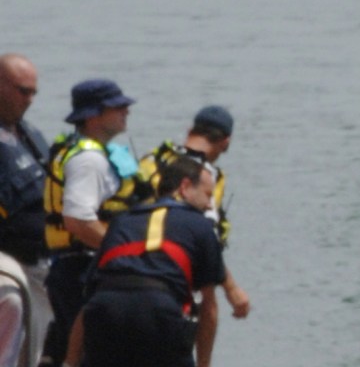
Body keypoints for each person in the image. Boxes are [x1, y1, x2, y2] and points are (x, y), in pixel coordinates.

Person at [79, 155, 226, 367]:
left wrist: (69, 362)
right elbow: (209, 307)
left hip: (105, 309)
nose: (209, 204)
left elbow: (89, 301)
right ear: (185, 187)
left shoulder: (121, 221)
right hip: (158, 311)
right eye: (207, 195)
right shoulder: (200, 225)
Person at [42, 79, 141, 367]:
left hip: (77, 269)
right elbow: (78, 221)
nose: (126, 111)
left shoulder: (88, 152)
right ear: (93, 115)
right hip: (82, 272)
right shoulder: (88, 160)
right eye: (117, 107)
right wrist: (129, 255)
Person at [135, 105, 251, 321]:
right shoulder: (207, 177)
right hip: (176, 276)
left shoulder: (151, 160)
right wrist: (231, 289)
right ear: (225, 142)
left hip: (131, 266)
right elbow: (205, 237)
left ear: (190, 131)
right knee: (201, 311)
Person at [0, 54, 50, 365]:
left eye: (34, 92)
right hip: (11, 263)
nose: (29, 99)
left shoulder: (28, 133)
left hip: (44, 262)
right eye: (23, 91)